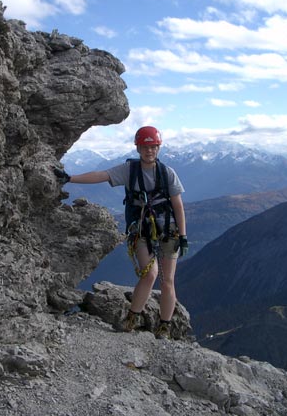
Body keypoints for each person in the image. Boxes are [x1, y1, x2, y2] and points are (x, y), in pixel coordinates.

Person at [53, 126, 188, 339]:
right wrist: (71, 178)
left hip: (168, 230)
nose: (149, 151)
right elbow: (102, 175)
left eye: (152, 147)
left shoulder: (167, 173)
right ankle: (132, 317)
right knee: (149, 274)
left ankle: (164, 326)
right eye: (145, 146)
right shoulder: (130, 170)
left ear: (158, 148)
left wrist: (183, 235)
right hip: (142, 229)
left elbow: (177, 205)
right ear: (138, 148)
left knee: (167, 280)